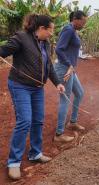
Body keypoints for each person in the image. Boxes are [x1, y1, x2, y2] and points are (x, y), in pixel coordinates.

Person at [0, 14, 65, 180]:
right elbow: (4, 51)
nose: (52, 33)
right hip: (20, 85)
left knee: (38, 120)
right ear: (42, 28)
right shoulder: (21, 37)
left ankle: (35, 153)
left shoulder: (45, 43)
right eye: (50, 30)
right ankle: (13, 162)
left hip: (37, 88)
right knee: (25, 121)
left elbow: (49, 66)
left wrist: (57, 82)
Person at [54, 10, 87, 142]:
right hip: (64, 69)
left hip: (70, 69)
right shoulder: (68, 30)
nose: (84, 24)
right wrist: (69, 64)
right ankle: (59, 134)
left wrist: (71, 66)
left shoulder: (72, 31)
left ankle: (72, 122)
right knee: (65, 99)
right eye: (83, 21)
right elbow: (58, 49)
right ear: (75, 19)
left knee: (79, 93)